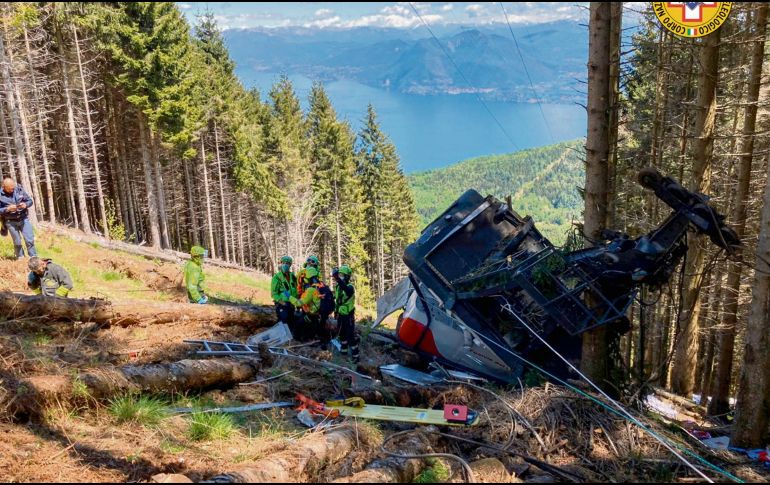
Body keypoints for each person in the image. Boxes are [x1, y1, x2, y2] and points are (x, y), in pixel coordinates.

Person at [289, 266, 333, 346]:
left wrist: (289, 297)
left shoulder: (310, 290)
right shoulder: (321, 286)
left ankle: (306, 340)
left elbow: (299, 303)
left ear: (307, 278)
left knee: (298, 326)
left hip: (312, 315)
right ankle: (314, 338)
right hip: (319, 315)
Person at [0, 177, 36, 259]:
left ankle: (33, 257)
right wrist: (7, 209)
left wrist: (25, 205)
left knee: (29, 239)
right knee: (17, 242)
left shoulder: (19, 190)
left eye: (13, 188)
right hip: (10, 221)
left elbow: (30, 201)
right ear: (4, 187)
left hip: (23, 219)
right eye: (10, 189)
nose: (12, 190)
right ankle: (20, 257)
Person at [333, 265, 359, 363]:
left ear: (347, 276)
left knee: (350, 336)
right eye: (339, 275)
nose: (340, 277)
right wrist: (335, 312)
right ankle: (344, 352)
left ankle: (356, 356)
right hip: (340, 315)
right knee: (342, 335)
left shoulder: (350, 287)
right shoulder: (337, 287)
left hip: (348, 316)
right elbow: (337, 300)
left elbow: (347, 291)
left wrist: (337, 278)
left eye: (342, 275)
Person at [271, 255, 298, 334]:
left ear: (290, 265)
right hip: (282, 304)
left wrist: (296, 302)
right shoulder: (277, 277)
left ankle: (290, 340)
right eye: (284, 263)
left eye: (288, 263)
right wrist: (280, 301)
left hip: (292, 303)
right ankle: (281, 338)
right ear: (281, 263)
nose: (286, 265)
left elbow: (295, 290)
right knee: (283, 320)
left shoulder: (292, 276)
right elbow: (274, 293)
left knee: (291, 322)